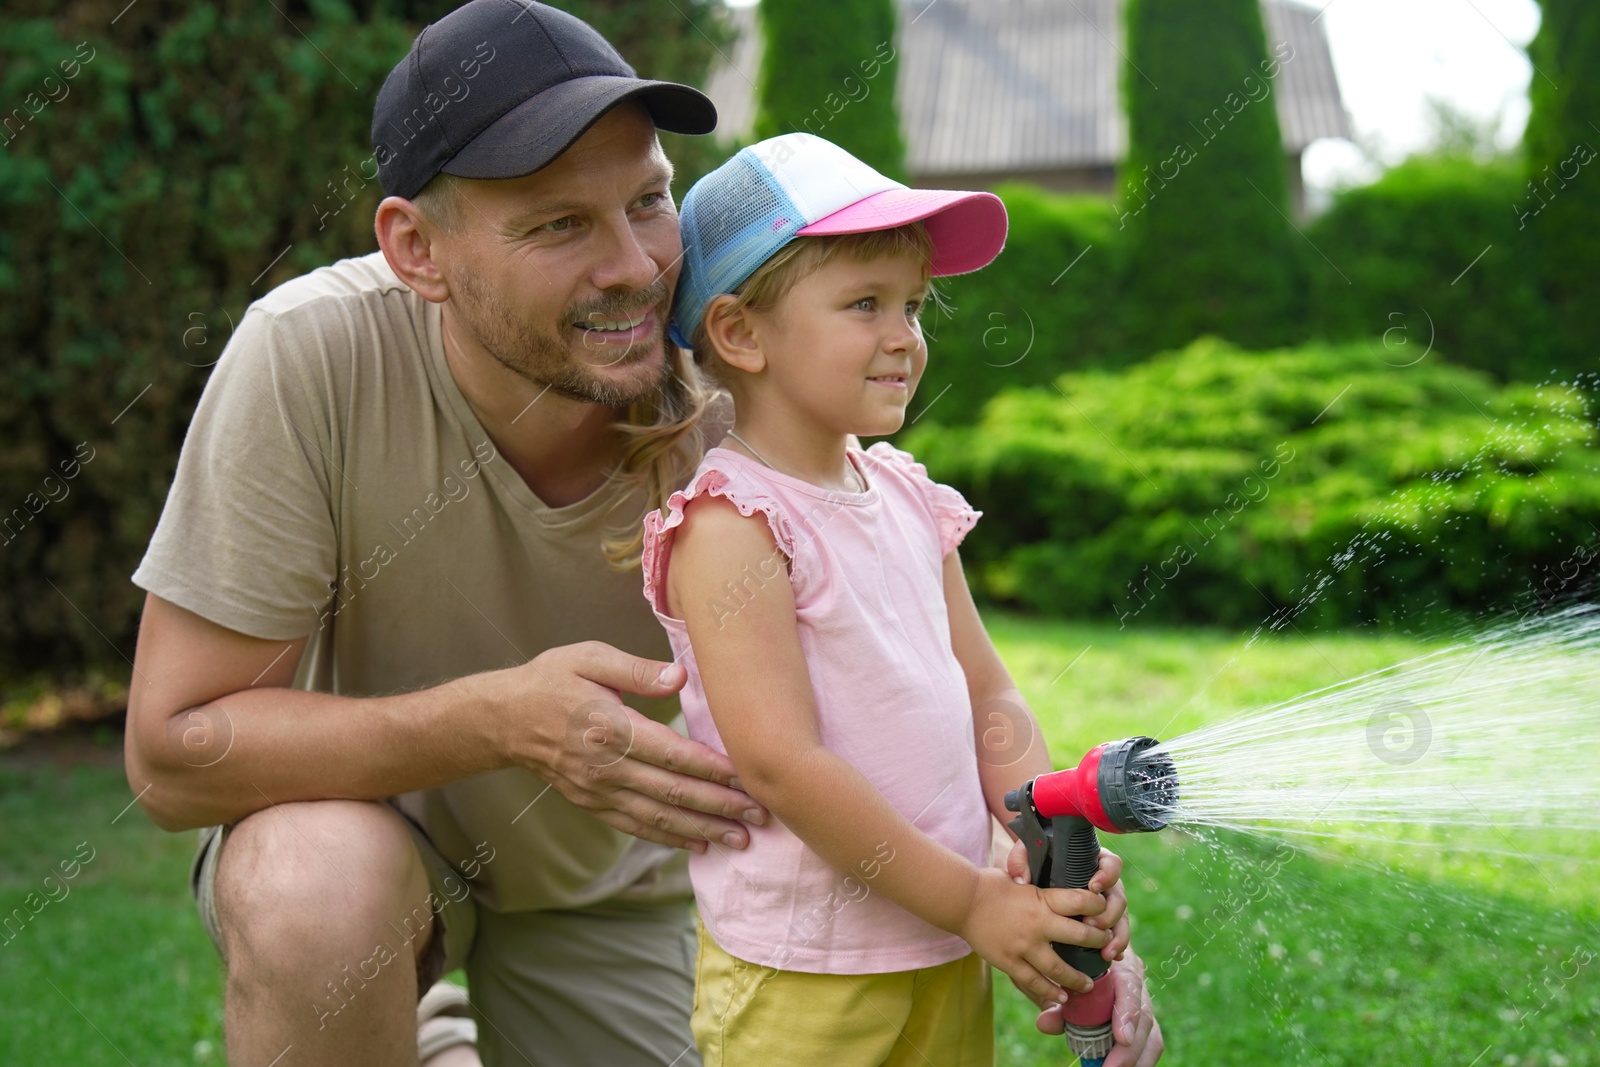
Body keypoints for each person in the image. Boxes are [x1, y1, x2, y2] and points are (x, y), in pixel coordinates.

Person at [120, 1, 1162, 1064]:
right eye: (559, 224)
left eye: (648, 200)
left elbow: (938, 693)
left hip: (618, 885)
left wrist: (1050, 888)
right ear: (416, 248)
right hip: (375, 843)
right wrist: (494, 720)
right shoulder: (312, 358)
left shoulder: (746, 398)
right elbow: (174, 752)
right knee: (313, 885)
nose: (633, 266)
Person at [639, 134, 1162, 1066]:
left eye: (914, 305)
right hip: (804, 975)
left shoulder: (908, 496)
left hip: (944, 943)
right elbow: (782, 764)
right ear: (741, 333)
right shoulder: (733, 527)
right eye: (864, 304)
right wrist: (971, 898)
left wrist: (1041, 852)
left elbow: (988, 697)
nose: (905, 336)